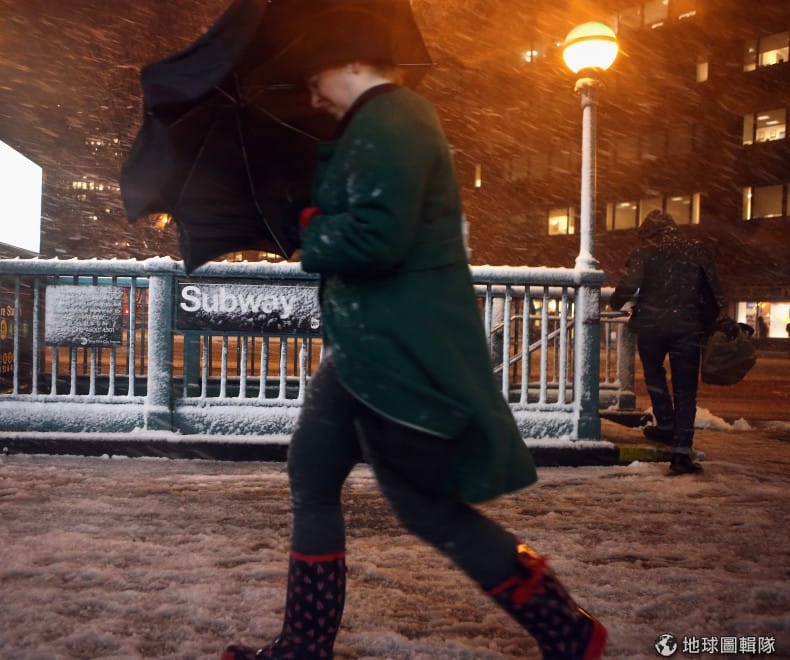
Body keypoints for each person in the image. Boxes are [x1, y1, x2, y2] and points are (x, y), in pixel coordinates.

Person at [222, 10, 606, 660]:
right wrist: (302, 206)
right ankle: (305, 644)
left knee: (427, 508)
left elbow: (378, 238)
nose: (312, 95)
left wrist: (312, 228)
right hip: (363, 345)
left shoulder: (392, 118)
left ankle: (567, 630)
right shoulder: (369, 128)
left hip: (391, 349)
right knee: (312, 472)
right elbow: (359, 218)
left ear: (352, 62)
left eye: (315, 78)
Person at [610, 210, 725, 476]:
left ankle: (665, 425)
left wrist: (615, 303)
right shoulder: (697, 251)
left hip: (651, 327)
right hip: (687, 328)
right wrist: (706, 322)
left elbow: (628, 285)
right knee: (686, 391)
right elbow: (714, 293)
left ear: (649, 233)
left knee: (654, 376)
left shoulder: (645, 252)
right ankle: (681, 452)